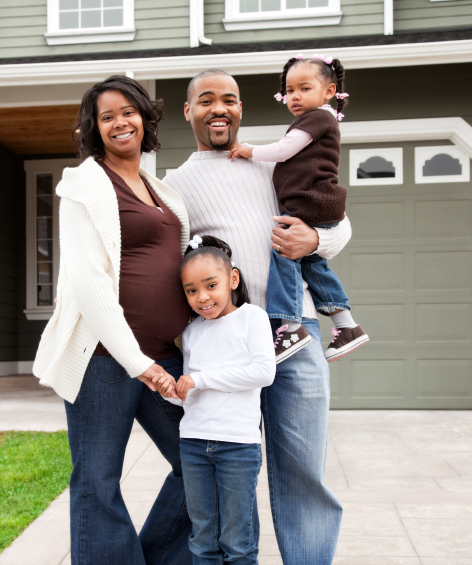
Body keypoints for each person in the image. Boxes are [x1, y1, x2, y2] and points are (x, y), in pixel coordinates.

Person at [163, 69, 345, 565]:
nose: (219, 109)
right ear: (189, 111)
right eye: (206, 100)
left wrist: (317, 240)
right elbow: (168, 265)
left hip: (293, 334)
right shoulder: (175, 185)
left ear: (242, 108)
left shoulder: (276, 161)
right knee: (224, 467)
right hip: (225, 345)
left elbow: (337, 220)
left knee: (302, 471)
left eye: (230, 100)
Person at [33, 75, 192, 565]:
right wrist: (137, 362)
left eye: (128, 112)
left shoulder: (160, 188)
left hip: (164, 355)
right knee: (97, 481)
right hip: (104, 361)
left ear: (145, 118)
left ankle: (156, 556)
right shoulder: (85, 183)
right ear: (94, 129)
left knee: (202, 461)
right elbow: (87, 279)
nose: (120, 122)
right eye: (107, 117)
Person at [227, 54, 369, 364]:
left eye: (304, 88)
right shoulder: (316, 119)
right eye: (290, 90)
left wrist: (248, 150)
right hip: (316, 203)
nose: (295, 96)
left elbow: (283, 150)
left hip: (311, 202)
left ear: (329, 91)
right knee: (313, 264)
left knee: (284, 253)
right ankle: (347, 325)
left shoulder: (318, 117)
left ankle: (291, 327)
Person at [160, 235, 275, 565]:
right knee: (202, 539)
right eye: (191, 290)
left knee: (237, 542)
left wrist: (201, 379)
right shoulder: (193, 331)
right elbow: (193, 393)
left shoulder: (252, 318)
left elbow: (263, 372)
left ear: (232, 279)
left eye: (211, 285)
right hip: (194, 444)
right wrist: (174, 392)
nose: (202, 297)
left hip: (238, 446)